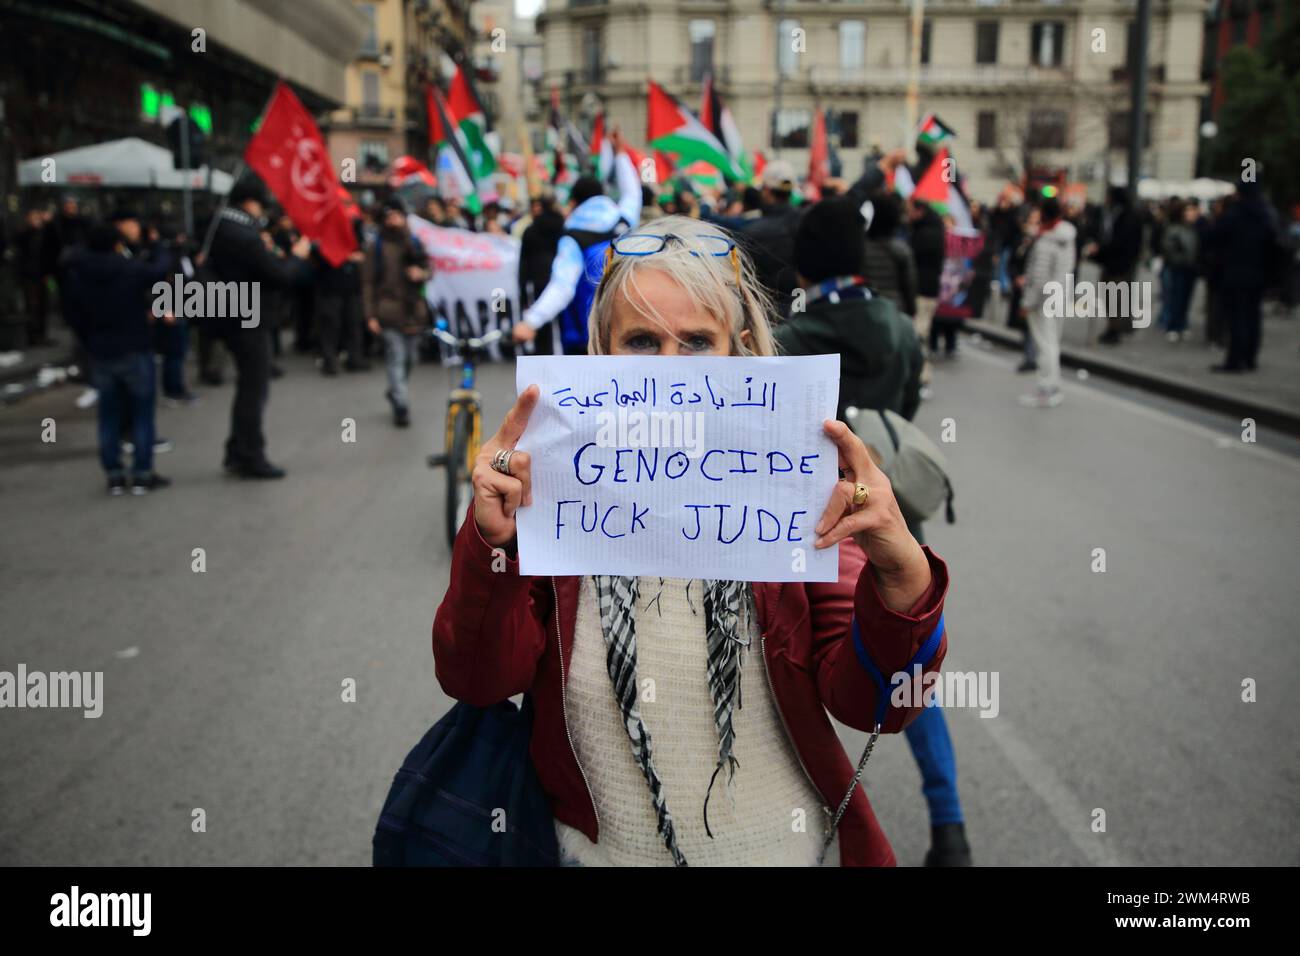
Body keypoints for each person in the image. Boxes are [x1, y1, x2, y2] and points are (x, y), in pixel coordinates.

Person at [432, 215, 952, 867]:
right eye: (643, 341)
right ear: (603, 350)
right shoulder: (551, 494)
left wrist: (902, 576)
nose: (672, 374)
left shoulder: (793, 489)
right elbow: (477, 679)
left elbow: (875, 705)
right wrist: (492, 547)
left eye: (698, 343)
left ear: (737, 348)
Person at [775, 199, 971, 866]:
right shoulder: (898, 326)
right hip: (890, 524)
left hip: (806, 524)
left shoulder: (791, 338)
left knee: (789, 670)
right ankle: (949, 823)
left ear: (802, 261)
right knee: (906, 669)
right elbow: (906, 412)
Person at [775, 198, 923, 422]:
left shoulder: (781, 343)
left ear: (802, 269)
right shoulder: (903, 329)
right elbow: (908, 407)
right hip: (880, 455)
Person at [204, 177, 312, 478]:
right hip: (248, 319)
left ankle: (237, 449)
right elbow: (280, 276)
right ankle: (251, 456)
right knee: (254, 389)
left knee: (247, 387)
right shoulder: (244, 235)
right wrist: (298, 257)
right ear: (250, 203)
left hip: (231, 314)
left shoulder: (221, 227)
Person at [62, 222, 174, 494]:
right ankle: (142, 473)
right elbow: (160, 270)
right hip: (135, 347)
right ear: (117, 244)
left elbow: (73, 316)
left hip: (101, 351)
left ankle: (113, 474)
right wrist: (159, 245)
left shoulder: (78, 274)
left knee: (109, 414)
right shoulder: (129, 269)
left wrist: (90, 341)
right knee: (142, 414)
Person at [511, 128, 641, 355]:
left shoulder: (573, 239)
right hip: (629, 331)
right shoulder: (624, 222)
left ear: (574, 202)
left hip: (586, 338)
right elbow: (632, 193)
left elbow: (562, 286)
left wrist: (531, 321)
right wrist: (621, 154)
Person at [362, 197, 431, 427]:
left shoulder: (415, 242)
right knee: (396, 357)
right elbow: (368, 282)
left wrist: (420, 274)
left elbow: (430, 269)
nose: (394, 220)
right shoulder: (377, 246)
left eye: (397, 215)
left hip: (413, 312)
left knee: (410, 359)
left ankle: (395, 390)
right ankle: (401, 404)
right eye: (389, 216)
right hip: (388, 312)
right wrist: (370, 315)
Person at [1206, 180, 1282, 373]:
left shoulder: (1235, 214)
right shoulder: (1266, 215)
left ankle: (1235, 360)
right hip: (1258, 274)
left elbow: (1214, 237)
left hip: (1235, 272)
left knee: (1237, 318)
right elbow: (1273, 246)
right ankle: (1249, 357)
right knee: (1253, 317)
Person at [1019, 197, 1077, 408]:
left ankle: (1046, 387)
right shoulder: (1067, 236)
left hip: (1044, 299)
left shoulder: (1045, 242)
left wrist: (1027, 303)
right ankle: (1054, 385)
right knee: (1053, 343)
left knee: (1044, 344)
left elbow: (1040, 278)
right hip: (1061, 293)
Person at [739, 160, 802, 314]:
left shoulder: (752, 231)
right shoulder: (807, 223)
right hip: (802, 310)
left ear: (766, 190)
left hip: (767, 315)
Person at [1086, 186, 1143, 345]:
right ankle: (1114, 328)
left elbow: (1120, 242)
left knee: (1115, 298)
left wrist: (1101, 251)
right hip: (1114, 263)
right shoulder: (1115, 214)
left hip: (1119, 264)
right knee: (1111, 297)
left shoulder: (1126, 217)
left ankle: (1115, 330)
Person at [315, 219, 368, 376]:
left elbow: (363, 254)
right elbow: (321, 257)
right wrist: (346, 256)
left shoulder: (356, 235)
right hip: (331, 289)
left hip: (352, 289)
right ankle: (329, 361)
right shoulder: (326, 236)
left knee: (354, 325)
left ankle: (354, 358)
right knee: (330, 326)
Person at [516, 191, 566, 356]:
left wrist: (522, 292)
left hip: (538, 280)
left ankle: (543, 358)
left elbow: (523, 263)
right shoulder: (564, 227)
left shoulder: (530, 230)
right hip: (560, 280)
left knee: (542, 327)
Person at [1158, 200, 1199, 342]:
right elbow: (1169, 248)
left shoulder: (1193, 228)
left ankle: (1181, 324)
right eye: (1189, 210)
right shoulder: (1175, 229)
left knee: (1185, 298)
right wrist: (1180, 259)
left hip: (1190, 268)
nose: (1192, 213)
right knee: (1175, 297)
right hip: (1177, 267)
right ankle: (1173, 326)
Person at [15, 207, 50, 346]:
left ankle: (40, 334)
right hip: (30, 275)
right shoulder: (24, 234)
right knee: (33, 305)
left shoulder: (43, 233)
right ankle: (33, 335)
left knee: (42, 304)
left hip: (41, 274)